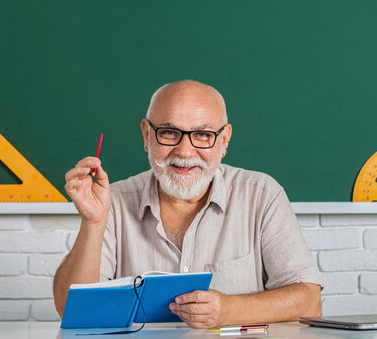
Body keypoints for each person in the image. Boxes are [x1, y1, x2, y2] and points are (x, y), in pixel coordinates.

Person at [53, 80, 321, 328]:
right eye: (169, 133)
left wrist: (229, 309)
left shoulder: (262, 195)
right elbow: (70, 309)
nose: (184, 151)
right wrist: (93, 223)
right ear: (147, 135)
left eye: (203, 135)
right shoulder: (113, 201)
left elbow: (309, 301)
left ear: (224, 140)